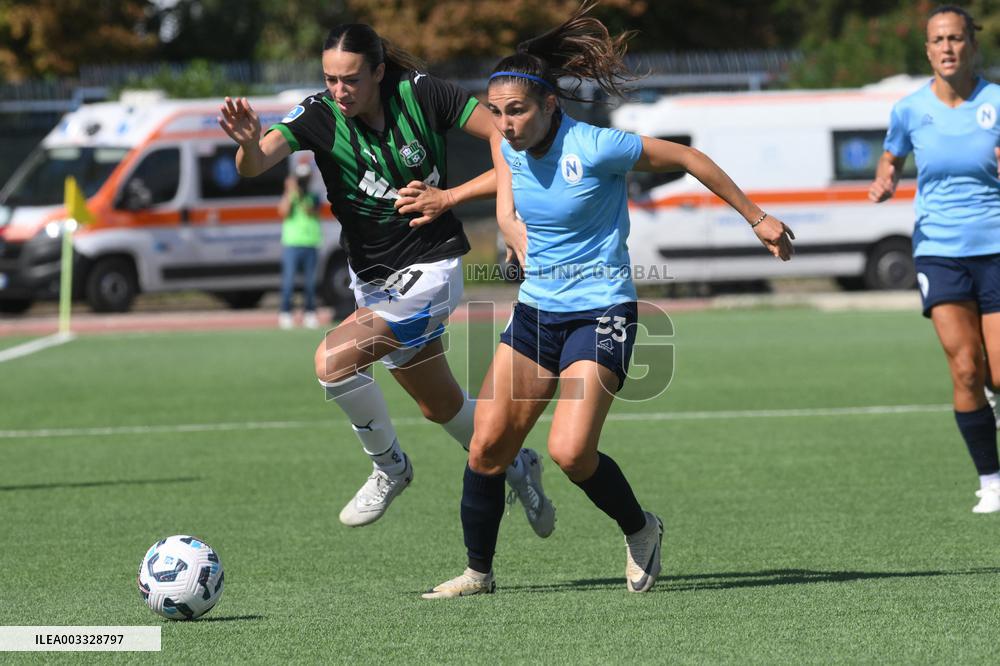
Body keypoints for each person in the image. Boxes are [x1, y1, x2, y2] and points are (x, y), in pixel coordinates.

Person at [422, 2, 794, 599]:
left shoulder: (596, 146)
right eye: (495, 113)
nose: (504, 124)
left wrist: (758, 218)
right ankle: (478, 573)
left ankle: (641, 528)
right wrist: (465, 205)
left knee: (571, 452)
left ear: (550, 106)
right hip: (536, 311)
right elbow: (505, 174)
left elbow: (688, 157)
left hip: (601, 310)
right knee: (488, 446)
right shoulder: (509, 141)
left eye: (516, 111)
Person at [217, 23, 556, 535]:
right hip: (372, 279)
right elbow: (257, 161)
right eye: (330, 78)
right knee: (439, 405)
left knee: (332, 362)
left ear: (377, 71)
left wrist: (466, 203)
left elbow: (501, 138)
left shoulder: (421, 93)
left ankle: (390, 467)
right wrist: (246, 145)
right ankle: (515, 462)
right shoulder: (317, 114)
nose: (339, 90)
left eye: (350, 78)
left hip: (433, 267)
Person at [869, 5, 1000, 513]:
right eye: (938, 39)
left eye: (956, 38)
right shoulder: (908, 109)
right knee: (966, 367)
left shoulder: (995, 102)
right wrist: (886, 178)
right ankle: (990, 480)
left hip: (995, 247)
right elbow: (892, 153)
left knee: (997, 372)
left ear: (973, 44)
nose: (947, 47)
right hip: (939, 251)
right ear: (927, 49)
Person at [277, 162, 323, 330]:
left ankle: (310, 312)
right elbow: (283, 211)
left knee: (310, 283)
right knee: (288, 282)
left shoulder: (314, 196)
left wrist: (300, 194)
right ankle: (285, 313)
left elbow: (310, 210)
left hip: (310, 243)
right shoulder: (290, 195)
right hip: (292, 244)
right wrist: (290, 191)